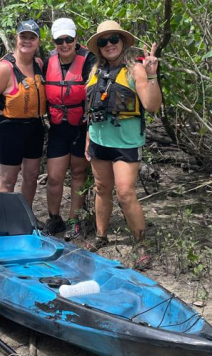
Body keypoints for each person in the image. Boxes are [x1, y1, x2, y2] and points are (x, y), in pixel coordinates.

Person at [83, 20, 162, 248]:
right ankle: (101, 235)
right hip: (98, 140)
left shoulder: (135, 69)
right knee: (101, 188)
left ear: (122, 42)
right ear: (98, 47)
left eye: (113, 39)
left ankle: (141, 243)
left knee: (125, 193)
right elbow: (92, 108)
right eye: (103, 41)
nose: (109, 45)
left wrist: (151, 75)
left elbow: (151, 105)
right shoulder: (95, 70)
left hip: (125, 142)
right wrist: (88, 138)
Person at [0, 19, 47, 208]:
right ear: (16, 38)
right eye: (23, 36)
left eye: (32, 37)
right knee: (8, 179)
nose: (27, 41)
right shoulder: (5, 68)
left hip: (34, 126)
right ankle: (5, 219)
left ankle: (26, 217)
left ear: (38, 42)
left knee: (32, 176)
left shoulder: (39, 64)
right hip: (8, 128)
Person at [42, 18, 96, 240]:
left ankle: (74, 219)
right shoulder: (46, 63)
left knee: (77, 173)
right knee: (54, 177)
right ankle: (55, 219)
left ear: (76, 39)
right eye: (59, 40)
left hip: (80, 127)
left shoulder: (89, 61)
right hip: (57, 127)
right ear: (54, 42)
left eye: (69, 39)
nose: (64, 44)